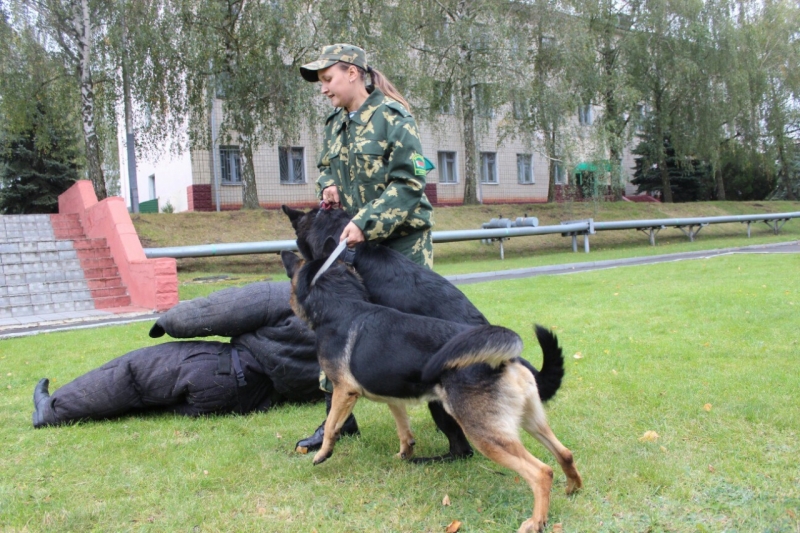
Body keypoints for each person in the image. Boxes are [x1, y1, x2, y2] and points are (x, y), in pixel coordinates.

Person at [294, 43, 436, 452]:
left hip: (403, 241)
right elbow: (325, 165)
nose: (323, 89)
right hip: (358, 240)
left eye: (327, 79)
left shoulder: (393, 117)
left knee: (417, 326)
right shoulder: (335, 124)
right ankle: (337, 420)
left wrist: (364, 220)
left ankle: (455, 417)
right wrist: (328, 186)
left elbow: (410, 184)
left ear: (352, 73)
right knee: (338, 318)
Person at [32, 282, 323, 428]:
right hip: (244, 402)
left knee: (132, 372)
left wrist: (167, 322)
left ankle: (51, 410)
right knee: (140, 402)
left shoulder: (290, 293)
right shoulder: (352, 322)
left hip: (217, 375)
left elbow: (216, 310)